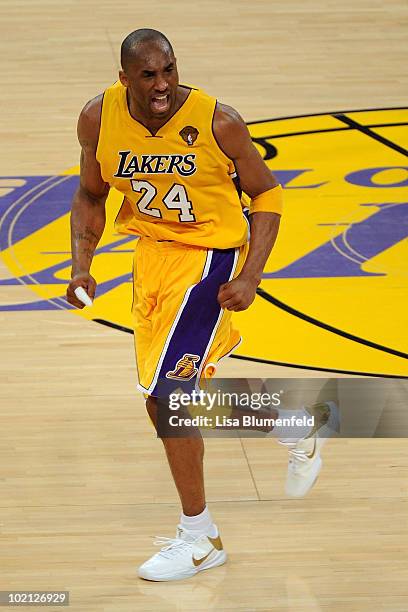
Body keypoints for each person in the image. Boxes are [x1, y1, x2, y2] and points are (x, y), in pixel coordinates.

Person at [66, 28, 336, 582]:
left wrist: (251, 273)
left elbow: (268, 192)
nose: (163, 84)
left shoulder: (219, 122)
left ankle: (200, 538)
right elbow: (93, 193)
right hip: (153, 260)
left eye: (169, 69)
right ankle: (293, 424)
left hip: (208, 260)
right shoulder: (99, 118)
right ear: (125, 80)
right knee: (162, 397)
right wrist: (81, 264)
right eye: (149, 75)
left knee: (169, 397)